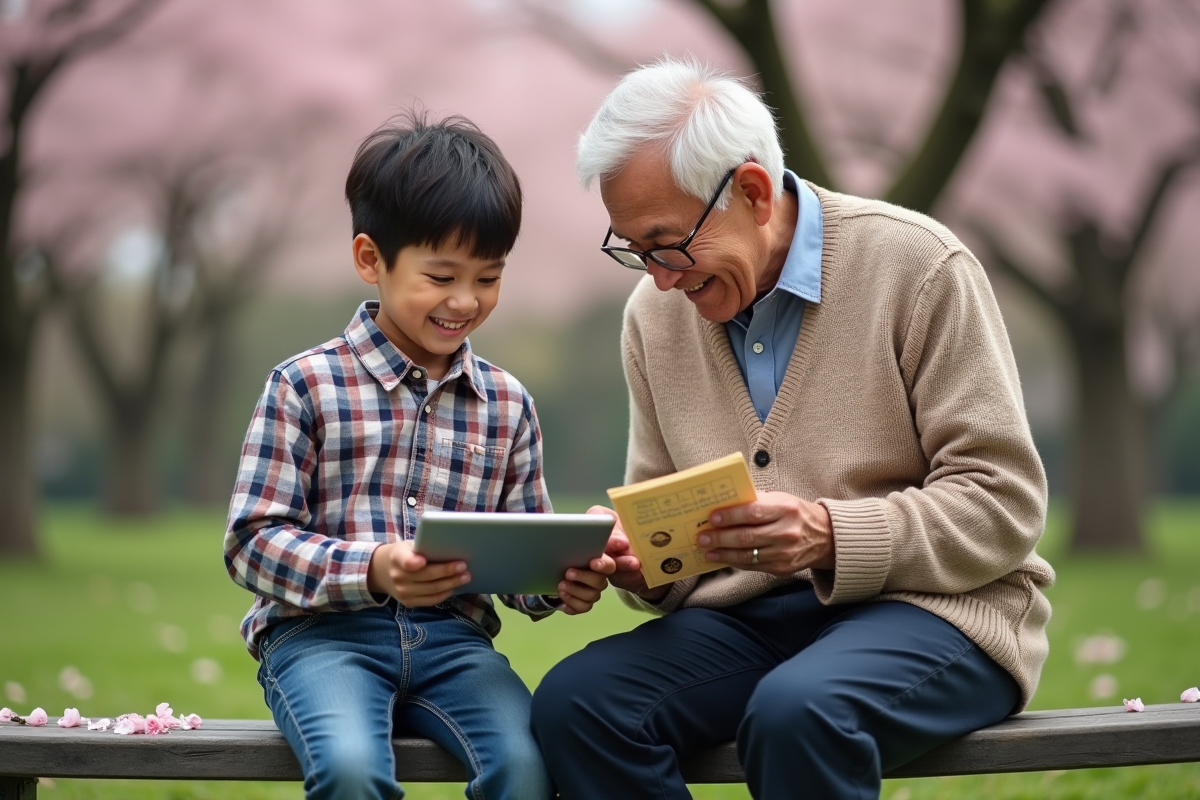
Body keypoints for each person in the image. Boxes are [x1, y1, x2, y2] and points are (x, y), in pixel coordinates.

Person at [530, 58, 1055, 800]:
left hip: (940, 612)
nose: (659, 280)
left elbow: (1004, 506)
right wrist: (635, 559)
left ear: (750, 191)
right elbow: (663, 513)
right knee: (576, 705)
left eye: (667, 243)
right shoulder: (653, 318)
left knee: (798, 713)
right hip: (748, 623)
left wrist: (831, 535)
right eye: (635, 252)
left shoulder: (919, 266)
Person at [224, 111, 614, 800]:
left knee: (529, 768)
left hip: (455, 647)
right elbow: (251, 544)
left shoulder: (507, 403)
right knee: (350, 769)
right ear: (371, 259)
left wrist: (563, 578)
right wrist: (372, 568)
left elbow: (521, 565)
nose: (465, 301)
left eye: (488, 278)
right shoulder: (305, 385)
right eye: (440, 277)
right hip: (322, 640)